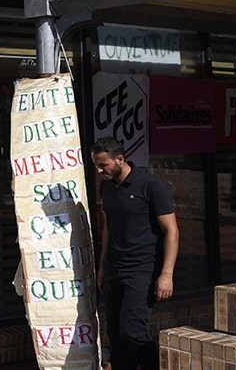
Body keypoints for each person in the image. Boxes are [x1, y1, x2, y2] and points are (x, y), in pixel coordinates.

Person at [91, 136, 179, 370]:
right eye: (96, 166)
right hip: (114, 269)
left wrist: (166, 274)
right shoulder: (107, 186)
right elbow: (108, 226)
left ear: (120, 159)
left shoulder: (150, 185)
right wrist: (102, 267)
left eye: (103, 165)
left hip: (142, 270)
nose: (100, 170)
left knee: (132, 331)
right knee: (115, 333)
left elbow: (171, 230)